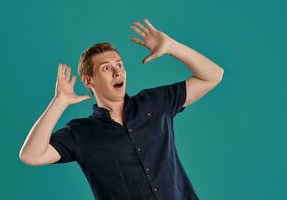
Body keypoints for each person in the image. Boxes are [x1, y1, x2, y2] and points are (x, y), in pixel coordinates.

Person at [19, 18, 224, 200]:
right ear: (88, 81)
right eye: (106, 68)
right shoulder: (81, 132)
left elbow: (213, 75)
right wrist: (59, 101)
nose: (118, 72)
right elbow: (31, 155)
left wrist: (172, 47)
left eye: (119, 65)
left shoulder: (154, 102)